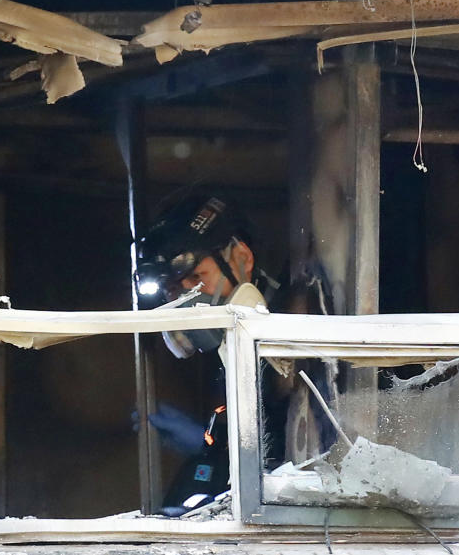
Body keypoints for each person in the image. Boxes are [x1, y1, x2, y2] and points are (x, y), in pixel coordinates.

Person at [135, 192, 333, 515]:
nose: (188, 301)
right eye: (174, 291)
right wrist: (202, 441)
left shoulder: (293, 325)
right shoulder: (227, 351)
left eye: (198, 280)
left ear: (242, 258)